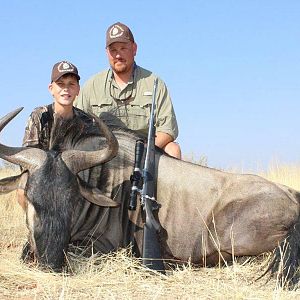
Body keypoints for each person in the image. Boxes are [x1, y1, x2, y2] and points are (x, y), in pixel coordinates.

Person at [75, 22, 182, 159]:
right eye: (113, 50)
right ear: (107, 53)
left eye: (123, 48)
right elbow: (78, 127)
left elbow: (168, 129)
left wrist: (142, 151)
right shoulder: (92, 85)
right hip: (105, 155)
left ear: (134, 48)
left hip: (144, 154)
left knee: (173, 149)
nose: (118, 55)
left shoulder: (154, 83)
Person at [19, 60, 94, 209]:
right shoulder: (39, 116)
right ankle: (35, 228)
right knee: (22, 189)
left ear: (78, 89)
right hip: (42, 178)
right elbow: (27, 160)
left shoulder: (86, 121)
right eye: (60, 84)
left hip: (72, 178)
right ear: (51, 88)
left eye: (71, 84)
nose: (66, 89)